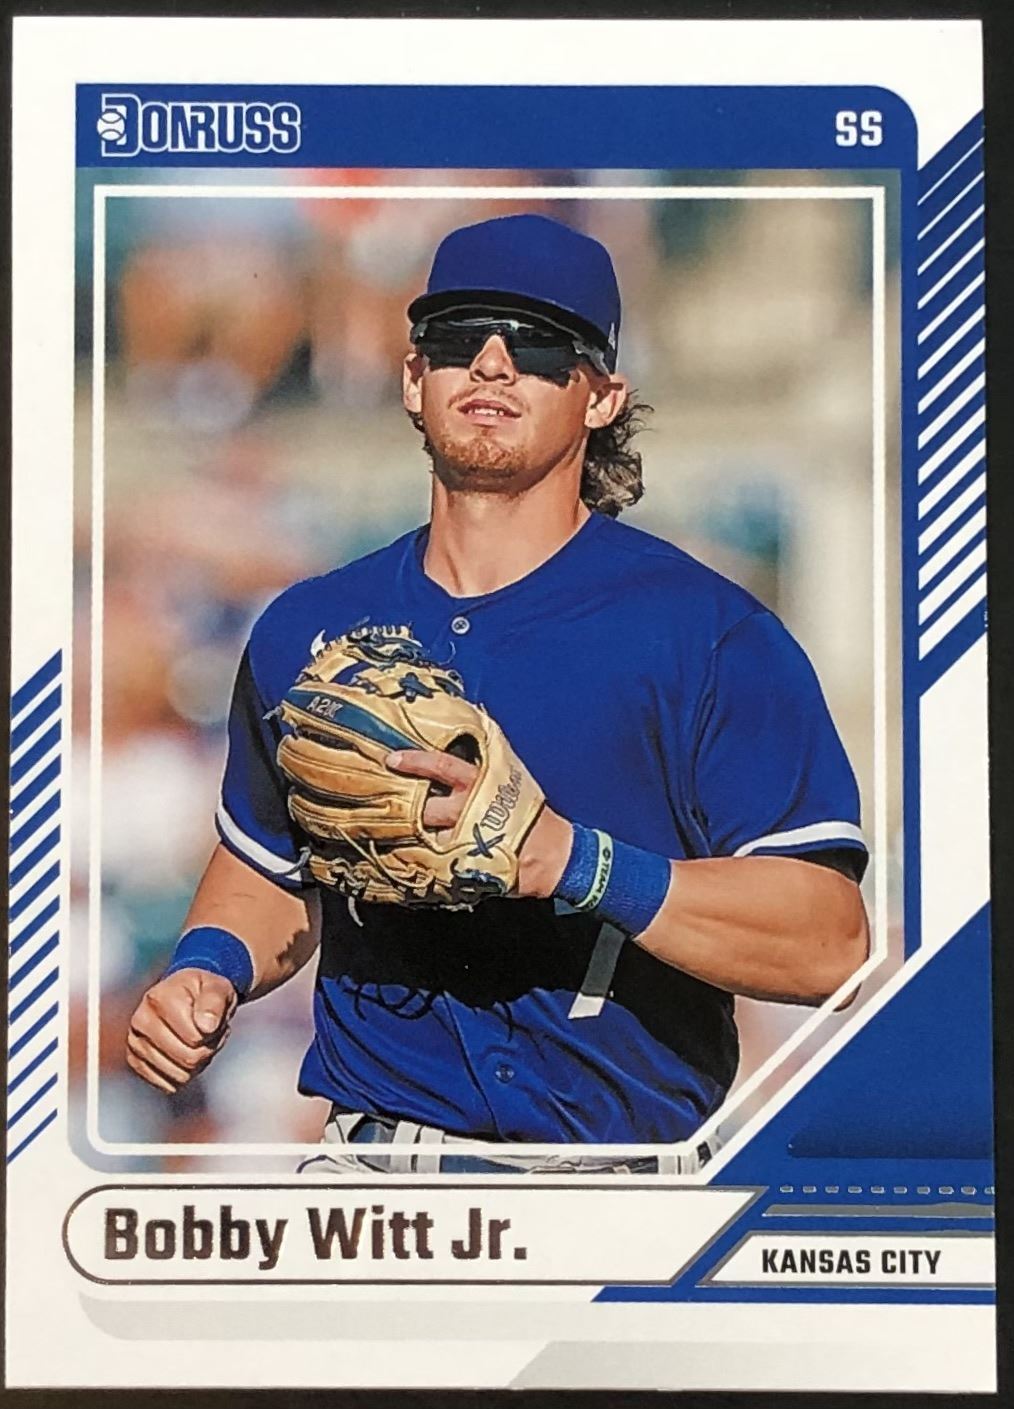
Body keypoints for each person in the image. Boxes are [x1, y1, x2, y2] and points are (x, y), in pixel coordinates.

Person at [126, 213, 870, 1174]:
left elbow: (828, 941)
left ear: (602, 397)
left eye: (538, 343)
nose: (490, 362)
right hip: (376, 1175)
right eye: (455, 337)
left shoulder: (708, 632)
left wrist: (573, 860)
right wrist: (210, 966)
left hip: (619, 1182)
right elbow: (268, 864)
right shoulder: (308, 625)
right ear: (412, 379)